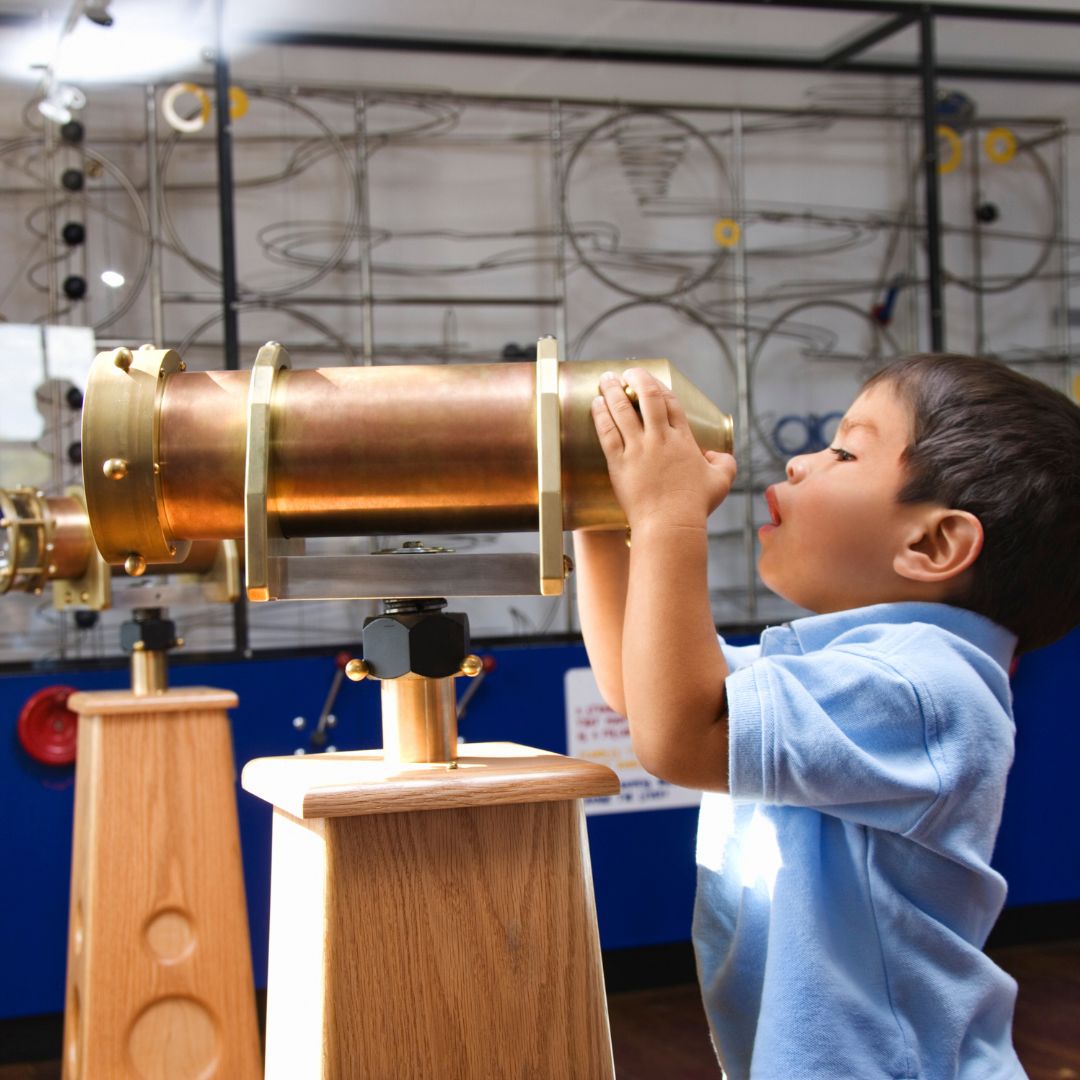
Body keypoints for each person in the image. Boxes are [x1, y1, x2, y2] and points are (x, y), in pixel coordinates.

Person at [573, 353, 1080, 1080]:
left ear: (932, 544)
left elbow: (678, 732)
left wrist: (667, 516)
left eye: (845, 450)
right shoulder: (856, 670)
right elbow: (640, 686)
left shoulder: (924, 687)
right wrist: (603, 511)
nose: (802, 463)